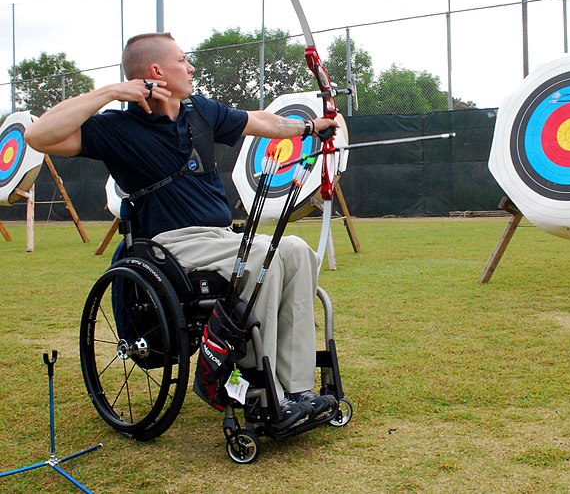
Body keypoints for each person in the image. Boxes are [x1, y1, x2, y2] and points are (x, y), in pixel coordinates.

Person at [25, 32, 339, 432]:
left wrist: (311, 126)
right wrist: (108, 92)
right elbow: (38, 136)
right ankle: (258, 389)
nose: (191, 68)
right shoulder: (117, 128)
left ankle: (297, 391)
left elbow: (260, 121)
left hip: (221, 236)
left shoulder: (200, 112)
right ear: (155, 71)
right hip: (170, 246)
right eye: (182, 61)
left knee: (295, 249)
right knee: (265, 259)